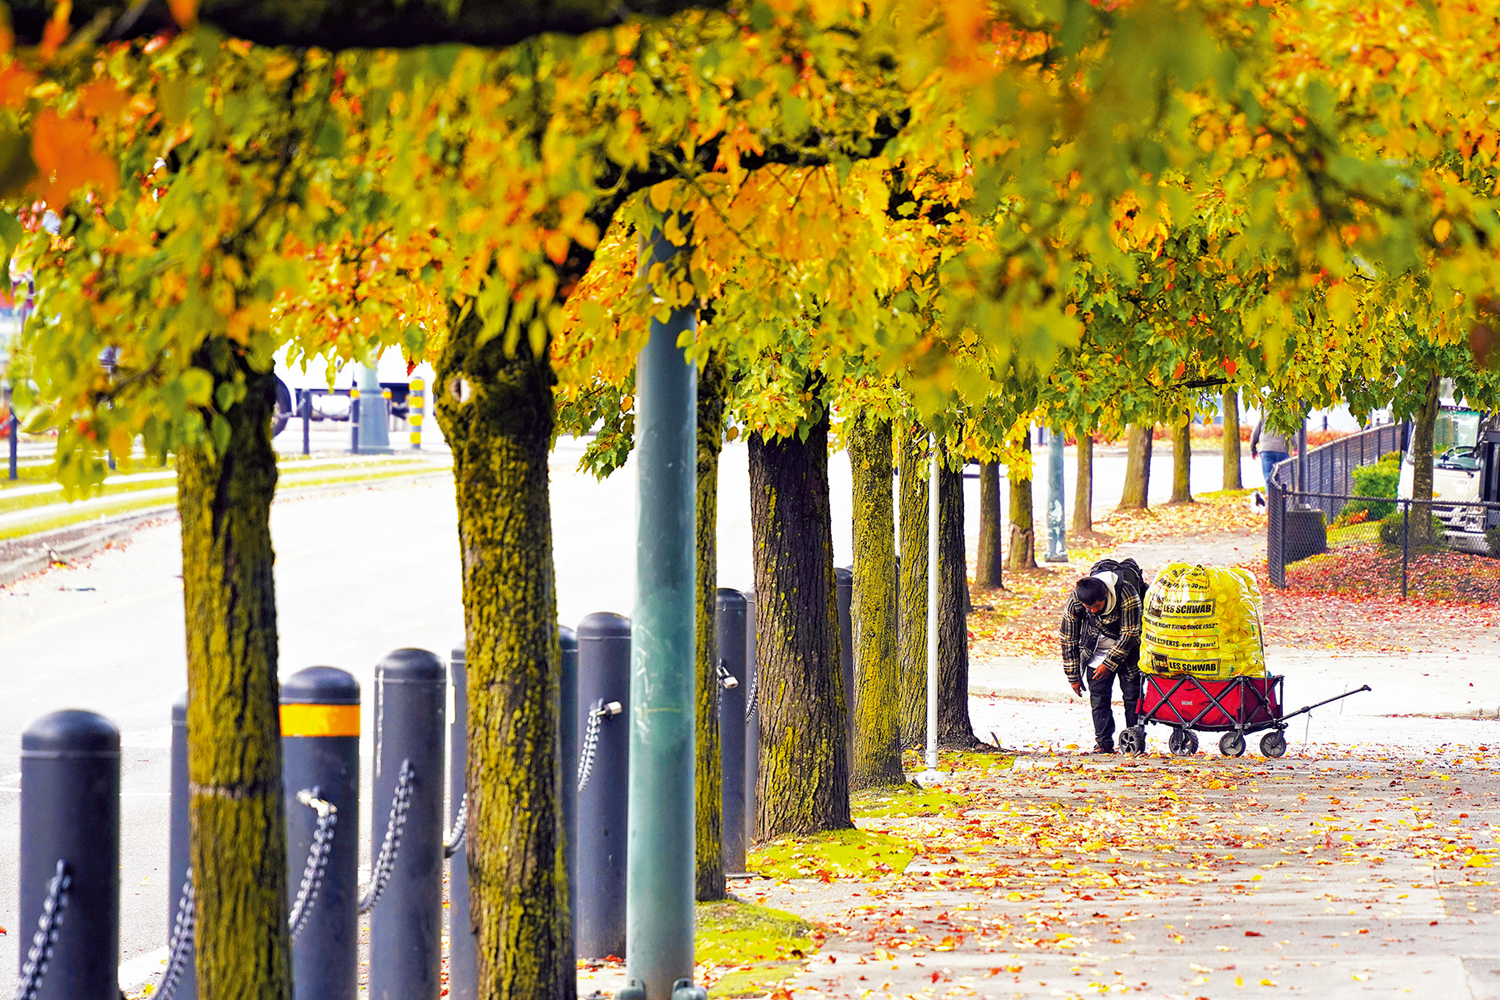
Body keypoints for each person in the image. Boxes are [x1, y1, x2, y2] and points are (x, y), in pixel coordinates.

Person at [1059, 566, 1143, 753]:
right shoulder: (1077, 600)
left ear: (1106, 594)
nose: (1093, 611)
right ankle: (1103, 743)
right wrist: (1073, 676)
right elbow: (1068, 638)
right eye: (1089, 608)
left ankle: (1133, 740)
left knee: (1132, 695)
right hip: (1095, 648)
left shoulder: (1126, 593)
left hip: (1127, 649)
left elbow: (1130, 633)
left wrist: (1109, 663)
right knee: (1098, 697)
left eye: (1097, 606)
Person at [1250, 418, 1292, 485]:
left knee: (1268, 476)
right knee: (1283, 477)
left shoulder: (1263, 414)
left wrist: (1253, 449)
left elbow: (1255, 433)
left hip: (1266, 449)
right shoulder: (1285, 415)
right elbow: (1293, 433)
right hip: (1282, 450)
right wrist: (1296, 447)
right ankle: (1281, 494)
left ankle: (1271, 494)